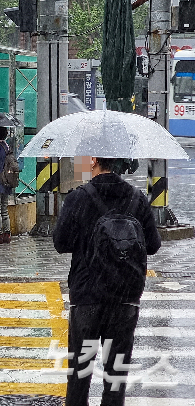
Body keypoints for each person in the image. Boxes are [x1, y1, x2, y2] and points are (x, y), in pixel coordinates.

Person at [53, 157, 161, 405]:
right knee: (115, 378)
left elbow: (60, 243)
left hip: (87, 299)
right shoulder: (136, 198)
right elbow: (153, 246)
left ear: (93, 161)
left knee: (79, 376)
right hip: (124, 300)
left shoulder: (78, 198)